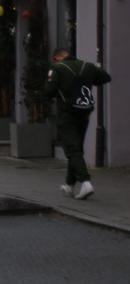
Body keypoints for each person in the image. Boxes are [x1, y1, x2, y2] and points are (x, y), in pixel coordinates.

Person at [46, 48, 111, 200]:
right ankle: (69, 186)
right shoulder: (87, 66)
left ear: (57, 58)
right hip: (84, 112)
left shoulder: (57, 68)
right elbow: (105, 77)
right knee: (76, 147)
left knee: (72, 148)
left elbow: (49, 90)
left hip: (67, 113)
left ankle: (85, 182)